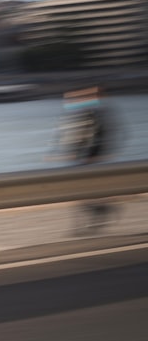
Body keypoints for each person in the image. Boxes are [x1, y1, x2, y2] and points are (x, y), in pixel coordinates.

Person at [55, 85, 114, 232]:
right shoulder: (84, 113)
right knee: (81, 193)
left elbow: (97, 137)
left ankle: (86, 221)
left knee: (81, 192)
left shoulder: (95, 113)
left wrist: (93, 157)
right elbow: (74, 136)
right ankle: (95, 214)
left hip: (88, 159)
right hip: (82, 158)